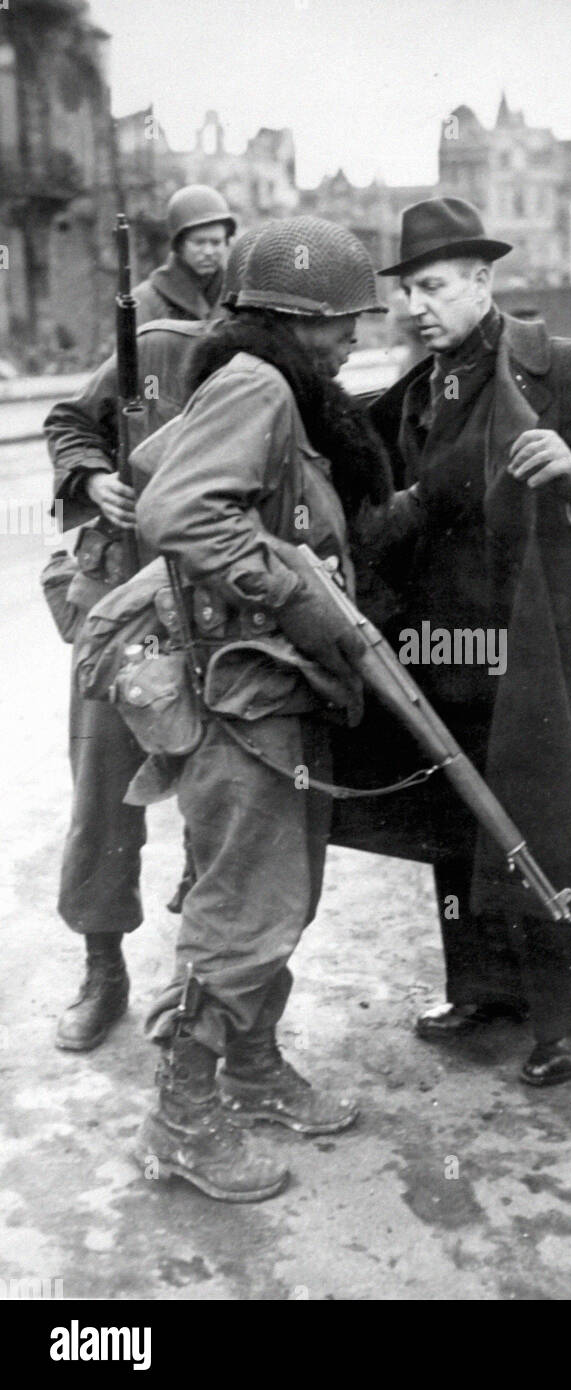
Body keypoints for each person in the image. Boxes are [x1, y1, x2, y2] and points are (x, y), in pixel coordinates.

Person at [344, 197, 571, 1088]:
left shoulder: (558, 366)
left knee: (539, 829)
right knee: (452, 821)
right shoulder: (412, 392)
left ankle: (568, 1020)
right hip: (434, 650)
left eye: (438, 286)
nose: (419, 306)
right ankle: (483, 990)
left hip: (522, 650)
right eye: (409, 289)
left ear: (484, 281)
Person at [132, 216, 393, 1201]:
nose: (355, 339)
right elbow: (176, 508)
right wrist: (287, 591)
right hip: (247, 699)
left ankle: (250, 1069)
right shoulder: (258, 383)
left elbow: (151, 466)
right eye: (342, 323)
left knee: (278, 895)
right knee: (242, 906)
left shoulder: (273, 387)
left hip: (278, 688)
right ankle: (180, 1120)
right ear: (297, 319)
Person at [45, 227, 262, 1053]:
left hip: (213, 613)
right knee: (104, 788)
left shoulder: (275, 384)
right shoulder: (162, 345)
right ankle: (103, 970)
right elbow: (71, 422)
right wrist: (96, 479)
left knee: (225, 794)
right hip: (121, 610)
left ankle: (198, 985)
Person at [132, 184, 235, 325]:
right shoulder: (146, 299)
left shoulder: (239, 298)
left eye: (216, 242)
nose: (208, 252)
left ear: (226, 243)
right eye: (199, 243)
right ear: (179, 245)